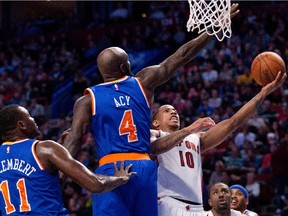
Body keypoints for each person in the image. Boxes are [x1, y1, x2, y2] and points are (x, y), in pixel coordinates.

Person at [63, 4, 240, 216]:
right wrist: (212, 28)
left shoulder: (87, 99)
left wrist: (58, 179)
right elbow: (181, 56)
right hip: (144, 166)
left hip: (111, 167)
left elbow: (73, 141)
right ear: (124, 67)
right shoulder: (141, 83)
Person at [150, 71, 286, 215]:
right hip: (168, 204)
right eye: (166, 111)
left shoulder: (196, 139)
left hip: (197, 207)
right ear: (156, 122)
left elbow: (233, 122)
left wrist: (263, 93)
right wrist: (189, 129)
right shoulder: (154, 134)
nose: (173, 112)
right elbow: (155, 148)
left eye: (175, 110)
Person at [0, 104, 135, 215]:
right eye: (29, 116)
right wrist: (120, 178)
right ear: (21, 125)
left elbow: (47, 186)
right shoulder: (43, 148)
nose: (33, 119)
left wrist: (63, 152)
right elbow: (95, 184)